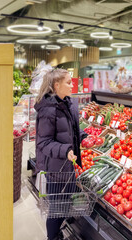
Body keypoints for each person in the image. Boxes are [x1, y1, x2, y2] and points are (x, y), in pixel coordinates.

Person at [34, 68, 87, 240]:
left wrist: (84, 136)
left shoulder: (68, 103)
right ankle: (53, 237)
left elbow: (70, 130)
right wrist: (66, 150)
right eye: (69, 82)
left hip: (68, 167)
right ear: (56, 85)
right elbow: (43, 142)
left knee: (64, 205)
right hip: (57, 169)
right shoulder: (48, 110)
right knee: (57, 210)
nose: (73, 85)